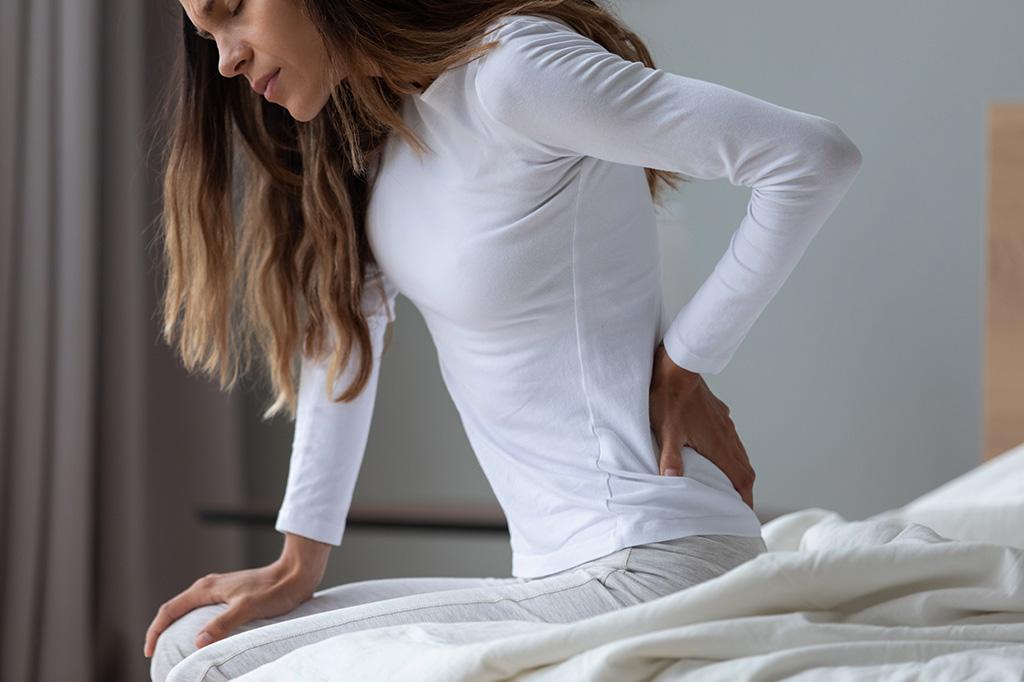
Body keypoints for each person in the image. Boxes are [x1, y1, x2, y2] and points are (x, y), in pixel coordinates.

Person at [145, 1, 863, 680]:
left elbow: (811, 156)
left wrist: (686, 363)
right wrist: (298, 559)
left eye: (232, 9)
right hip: (564, 574)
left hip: (654, 559)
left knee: (204, 665)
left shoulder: (513, 73)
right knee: (199, 638)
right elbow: (345, 335)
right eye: (207, 38)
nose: (226, 63)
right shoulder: (399, 120)